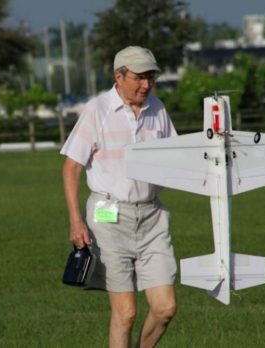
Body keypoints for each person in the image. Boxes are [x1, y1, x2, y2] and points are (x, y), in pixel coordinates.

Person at [61, 46, 178, 348]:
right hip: (108, 218)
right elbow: (72, 167)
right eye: (140, 77)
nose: (146, 85)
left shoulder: (158, 109)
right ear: (119, 76)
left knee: (165, 308)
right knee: (125, 313)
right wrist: (76, 221)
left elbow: (177, 158)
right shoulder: (96, 110)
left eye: (151, 77)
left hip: (152, 218)